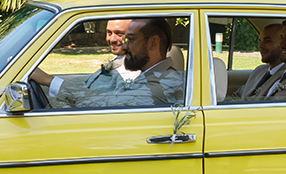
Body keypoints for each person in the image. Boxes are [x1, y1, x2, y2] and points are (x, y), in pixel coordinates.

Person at [30, 17, 185, 109]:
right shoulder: (151, 76)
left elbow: (104, 103)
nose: (123, 45)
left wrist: (49, 81)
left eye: (129, 39)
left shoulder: (162, 85)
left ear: (152, 43)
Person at [230, 23, 285, 101]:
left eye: (267, 41)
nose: (261, 46)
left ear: (283, 44)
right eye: (260, 41)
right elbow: (236, 96)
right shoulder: (259, 70)